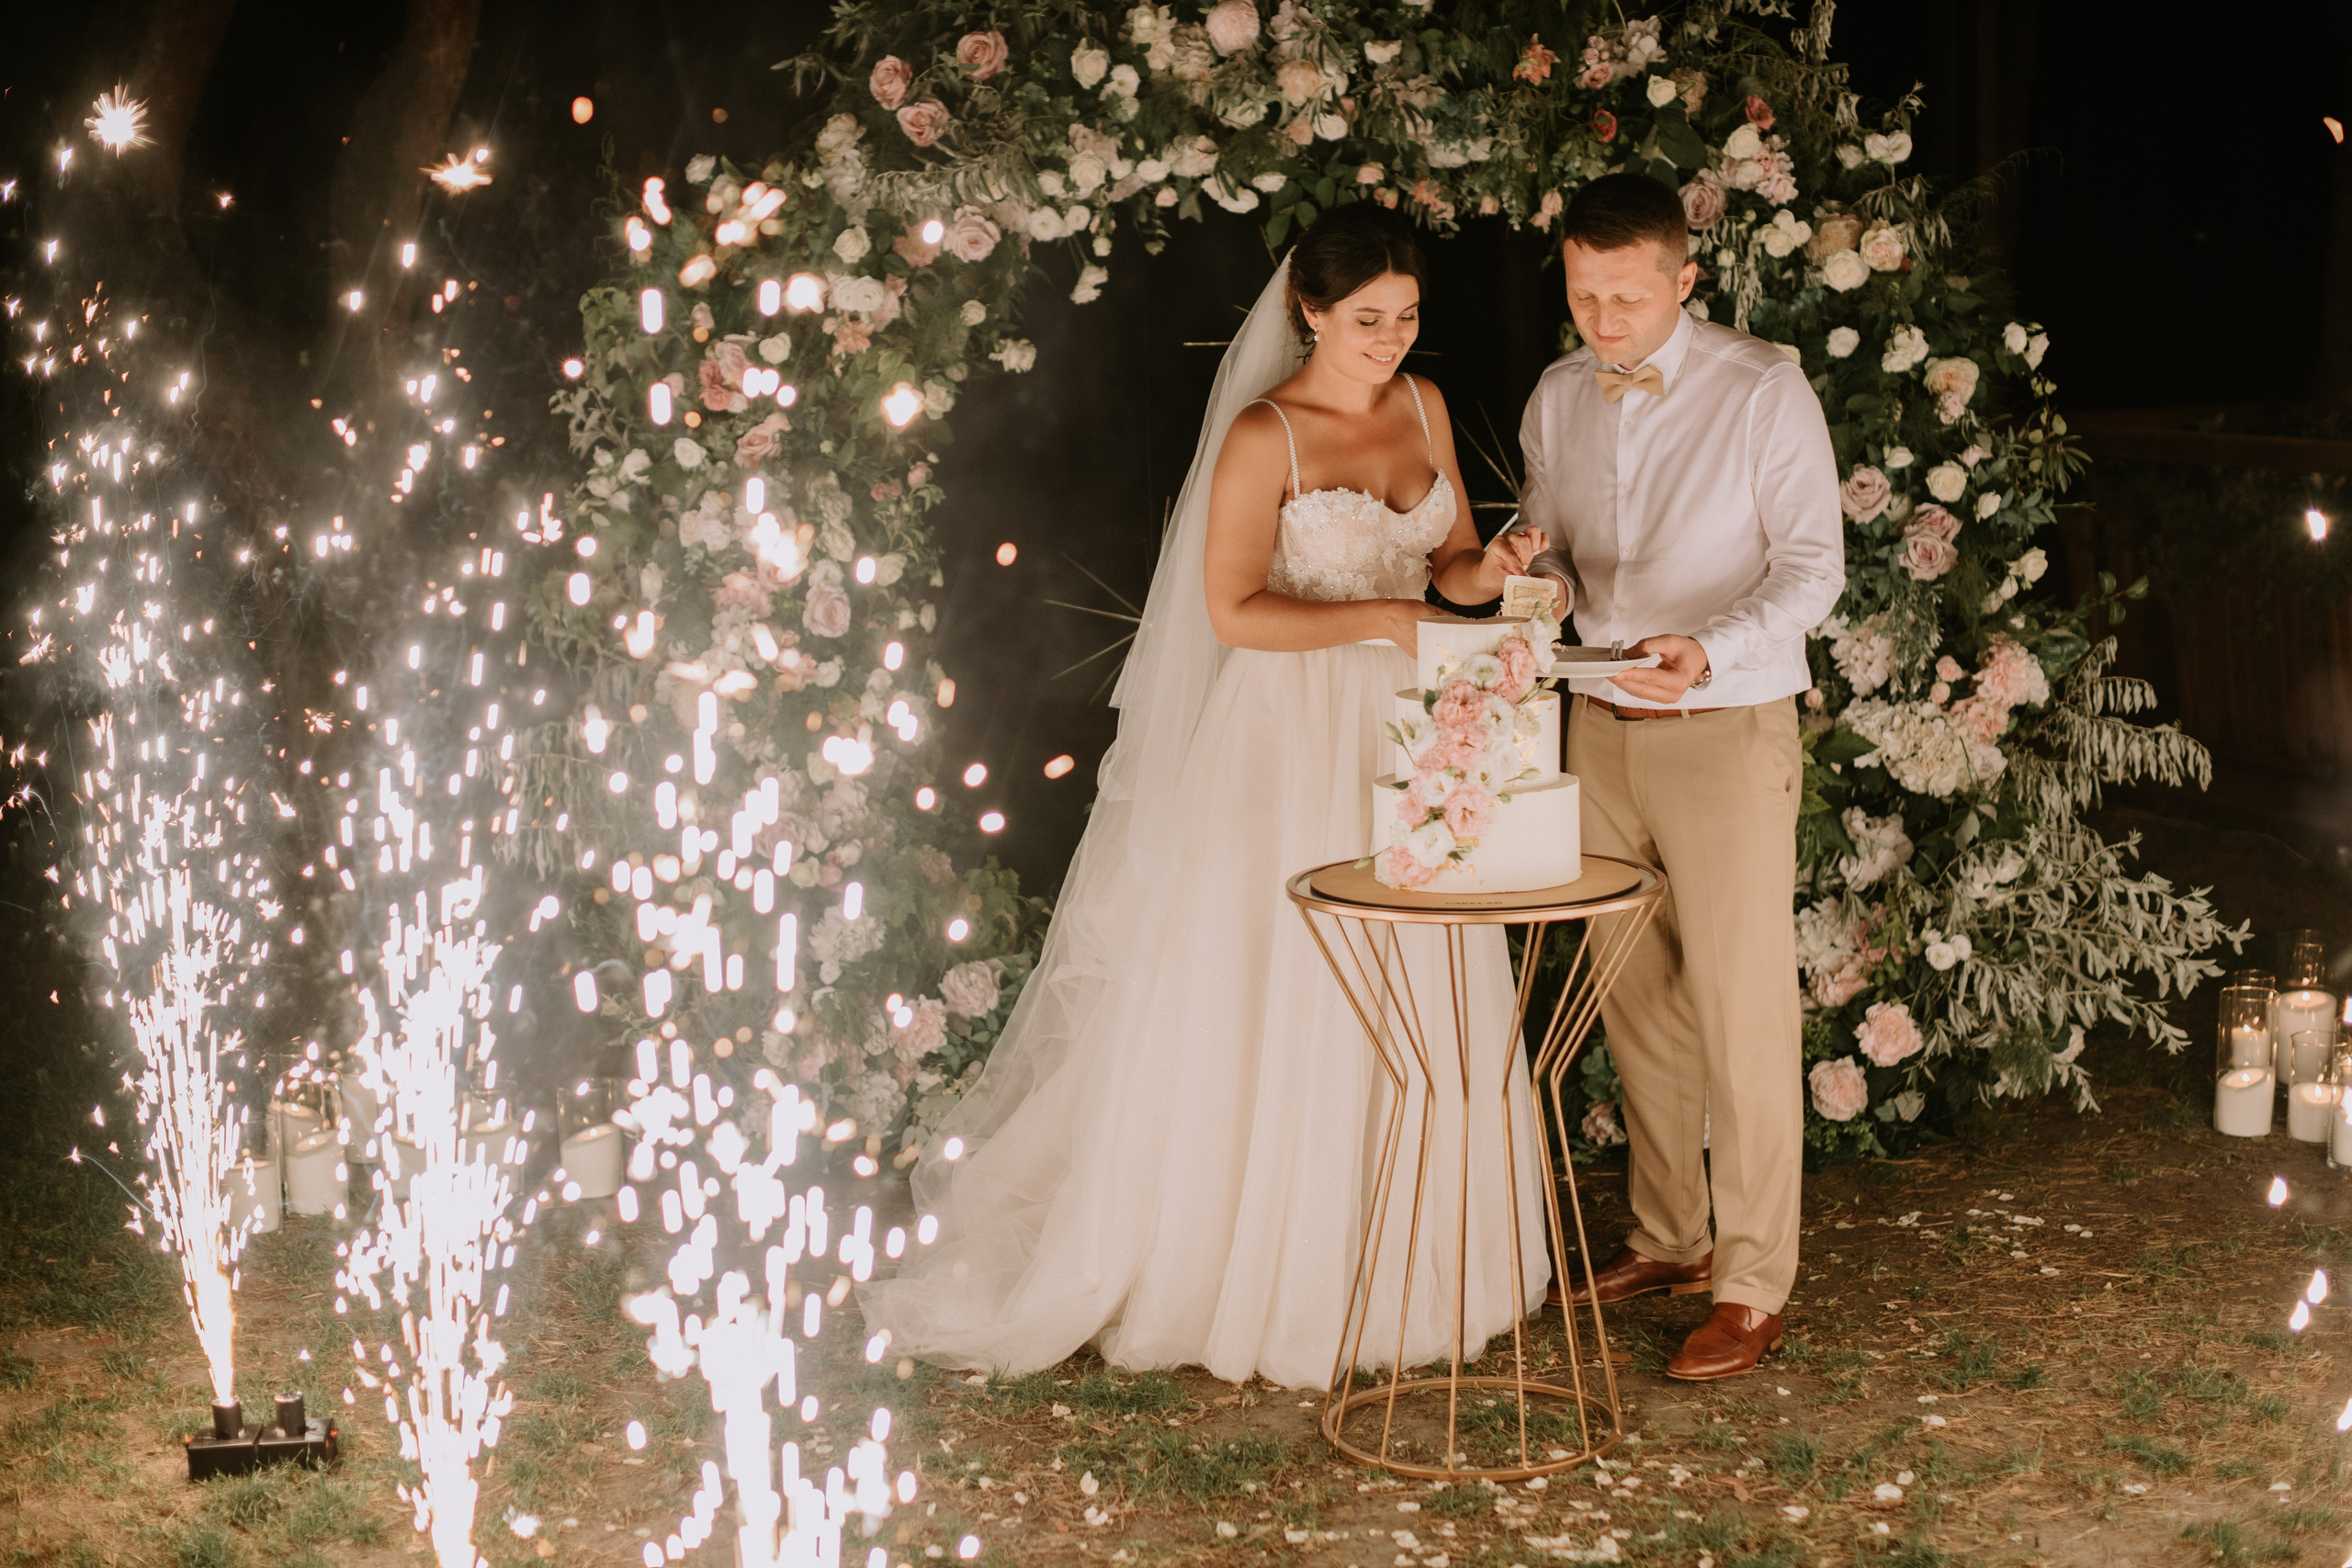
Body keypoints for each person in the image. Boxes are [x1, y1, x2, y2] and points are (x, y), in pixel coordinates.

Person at [861, 206, 1552, 1386]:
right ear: (1311, 313)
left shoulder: (1425, 405)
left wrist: (1487, 571)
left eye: (1408, 317)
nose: (1390, 339)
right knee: (1288, 983)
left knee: (1423, 960)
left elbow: (1446, 557)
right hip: (1287, 737)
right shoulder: (1261, 436)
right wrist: (1381, 619)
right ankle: (1253, 1268)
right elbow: (1233, 610)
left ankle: (1422, 1257)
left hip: (1416, 730)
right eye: (1368, 319)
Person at [1519, 174, 1844, 1381]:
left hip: (1724, 722)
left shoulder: (1763, 387)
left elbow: (1815, 568)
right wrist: (1526, 555)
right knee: (1631, 992)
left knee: (1745, 1009)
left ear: (1684, 279)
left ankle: (1755, 1281)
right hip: (1595, 725)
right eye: (1582, 293)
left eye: (1625, 294)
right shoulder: (1557, 393)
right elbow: (1546, 528)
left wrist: (1710, 647)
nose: (1601, 317)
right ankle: (1671, 1237)